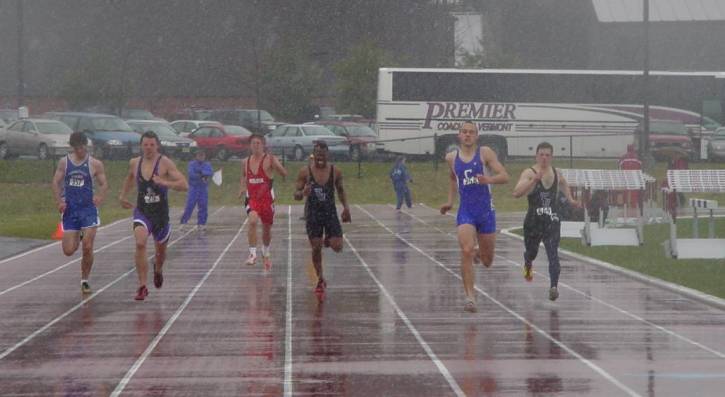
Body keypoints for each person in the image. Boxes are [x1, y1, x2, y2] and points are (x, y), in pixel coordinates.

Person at [440, 121, 509, 313]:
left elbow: (505, 176)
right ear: (459, 135)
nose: (468, 135)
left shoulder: (485, 153)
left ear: (477, 136)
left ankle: (480, 253)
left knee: (487, 261)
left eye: (471, 132)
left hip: (486, 212)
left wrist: (489, 179)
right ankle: (470, 297)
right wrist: (450, 202)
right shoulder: (451, 158)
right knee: (466, 250)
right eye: (464, 132)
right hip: (466, 211)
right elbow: (453, 178)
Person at [119, 131, 188, 301]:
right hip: (143, 212)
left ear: (157, 146)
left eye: (152, 145)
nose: (148, 148)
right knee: (140, 243)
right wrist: (122, 196)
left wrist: (165, 182)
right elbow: (129, 178)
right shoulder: (135, 163)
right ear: (141, 146)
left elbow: (184, 185)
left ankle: (158, 269)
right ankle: (142, 286)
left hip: (161, 215)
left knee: (160, 253)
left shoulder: (165, 163)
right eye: (145, 145)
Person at [512, 141, 579, 301]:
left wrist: (570, 199)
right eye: (541, 155)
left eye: (547, 155)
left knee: (553, 254)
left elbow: (563, 184)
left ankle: (553, 287)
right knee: (532, 252)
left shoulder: (556, 172)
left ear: (551, 157)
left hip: (551, 221)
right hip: (533, 221)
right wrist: (534, 181)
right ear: (536, 156)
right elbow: (516, 193)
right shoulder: (529, 173)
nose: (544, 158)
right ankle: (528, 262)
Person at [51, 131, 109, 293]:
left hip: (88, 210)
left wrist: (100, 196)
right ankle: (79, 234)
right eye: (76, 148)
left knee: (88, 246)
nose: (80, 151)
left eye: (82, 148)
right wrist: (59, 201)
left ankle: (84, 280)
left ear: (86, 146)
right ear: (72, 147)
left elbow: (104, 184)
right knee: (68, 251)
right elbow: (55, 182)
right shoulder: (64, 163)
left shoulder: (95, 164)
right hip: (70, 210)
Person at [294, 141, 351, 296]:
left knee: (337, 247)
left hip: (329, 213)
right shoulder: (305, 172)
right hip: (313, 214)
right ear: (313, 156)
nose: (320, 158)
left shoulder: (335, 171)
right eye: (317, 155)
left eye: (323, 155)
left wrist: (346, 208)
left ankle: (328, 239)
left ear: (327, 155)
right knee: (316, 247)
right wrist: (303, 193)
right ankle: (320, 278)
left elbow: (340, 191)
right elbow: (296, 195)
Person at [238, 134, 288, 270]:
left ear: (263, 145)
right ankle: (252, 254)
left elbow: (283, 172)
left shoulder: (270, 159)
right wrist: (242, 187)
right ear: (250, 146)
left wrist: (282, 172)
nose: (256, 146)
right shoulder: (245, 162)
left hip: (267, 200)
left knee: (266, 229)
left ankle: (265, 251)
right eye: (253, 143)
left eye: (258, 143)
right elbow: (243, 175)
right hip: (252, 199)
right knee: (252, 221)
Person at [180, 149, 213, 232]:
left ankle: (201, 224)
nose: (201, 157)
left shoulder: (207, 164)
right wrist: (202, 174)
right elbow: (191, 174)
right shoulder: (191, 164)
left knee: (203, 206)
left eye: (202, 155)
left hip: (203, 188)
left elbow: (209, 172)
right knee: (190, 205)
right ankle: (183, 222)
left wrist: (201, 173)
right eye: (199, 155)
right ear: (196, 156)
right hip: (193, 188)